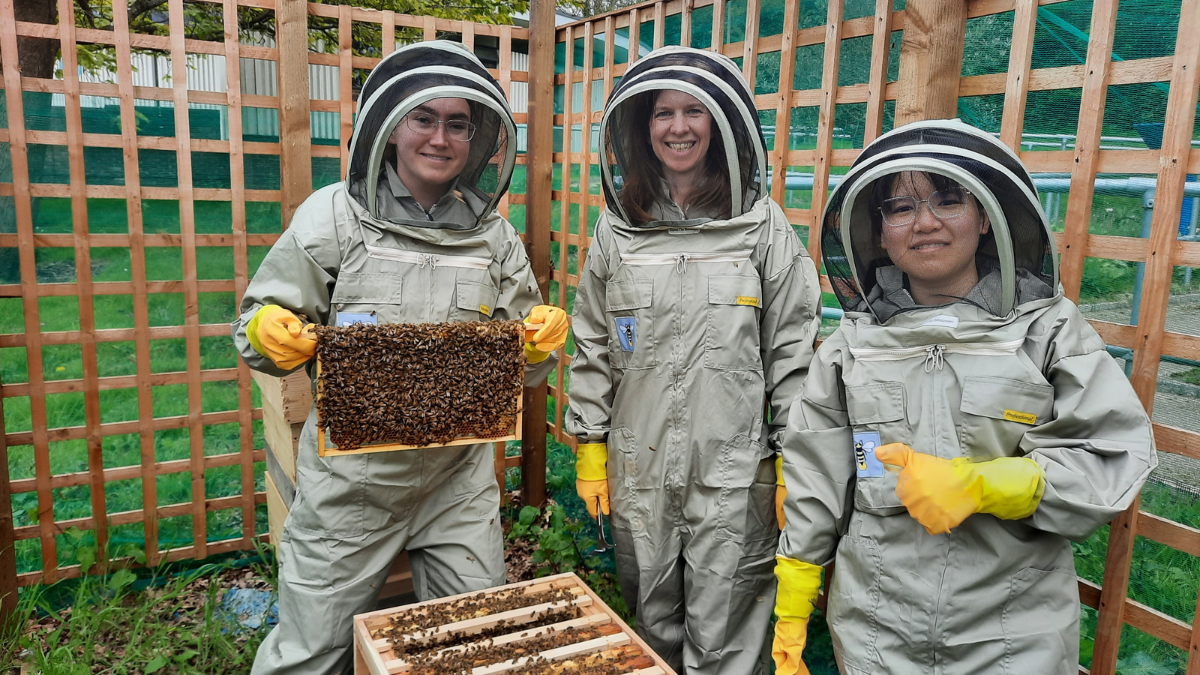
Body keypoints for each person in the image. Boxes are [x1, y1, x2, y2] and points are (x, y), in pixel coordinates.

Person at [772, 119, 1156, 675]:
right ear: (878, 232)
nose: (924, 223)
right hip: (876, 629)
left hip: (1014, 632)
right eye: (900, 208)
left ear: (985, 217)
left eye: (948, 200)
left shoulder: (1048, 330)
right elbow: (816, 477)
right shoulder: (849, 348)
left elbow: (1112, 450)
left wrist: (991, 484)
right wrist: (793, 601)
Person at [232, 40, 568, 675]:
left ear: (477, 139)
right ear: (390, 128)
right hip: (352, 486)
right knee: (310, 650)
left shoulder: (493, 236)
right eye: (424, 118)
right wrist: (268, 332)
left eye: (458, 123)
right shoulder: (333, 216)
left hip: (458, 482)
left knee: (471, 644)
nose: (440, 138)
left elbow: (521, 361)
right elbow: (255, 330)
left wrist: (536, 345)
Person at [565, 46, 823, 675]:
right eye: (662, 113)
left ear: (722, 125)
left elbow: (792, 351)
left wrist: (795, 457)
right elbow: (594, 341)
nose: (677, 127)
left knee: (727, 638)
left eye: (693, 111)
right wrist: (591, 444)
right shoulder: (616, 228)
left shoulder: (763, 228)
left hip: (734, 470)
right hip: (637, 464)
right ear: (639, 127)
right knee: (651, 622)